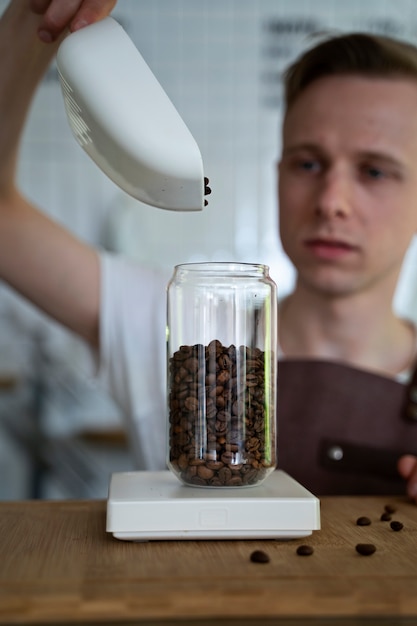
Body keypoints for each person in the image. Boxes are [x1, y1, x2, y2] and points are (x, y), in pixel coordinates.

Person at [0, 0, 416, 498]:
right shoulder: (178, 326)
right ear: (278, 175)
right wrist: (33, 16)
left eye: (374, 171)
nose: (332, 202)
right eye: (308, 163)